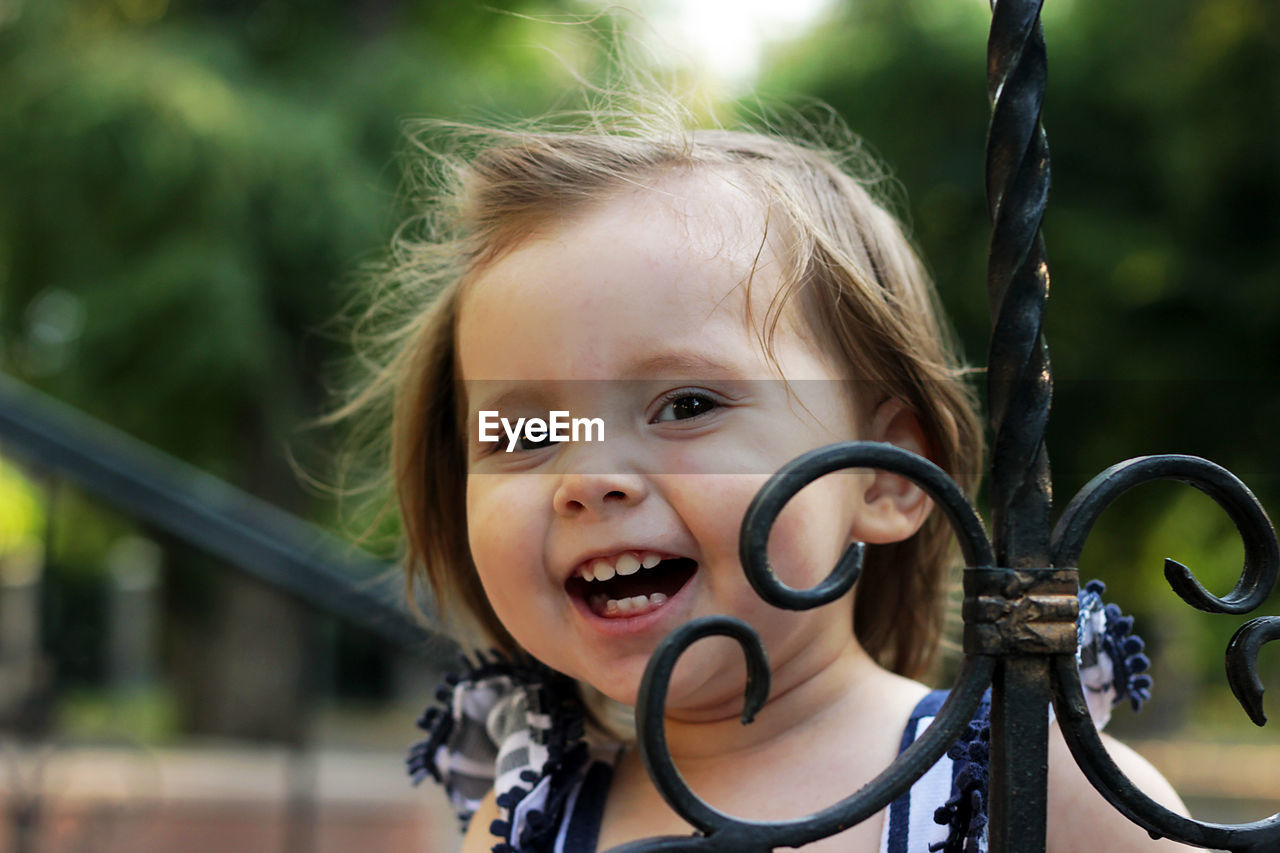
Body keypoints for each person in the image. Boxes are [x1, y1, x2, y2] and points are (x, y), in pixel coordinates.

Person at [355, 106, 1188, 852]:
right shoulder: (528, 815)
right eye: (529, 431)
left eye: (685, 404)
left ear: (888, 476)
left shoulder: (1024, 788)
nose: (589, 475)